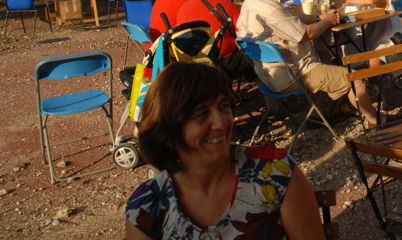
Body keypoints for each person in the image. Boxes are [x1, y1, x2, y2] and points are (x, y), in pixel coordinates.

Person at [125, 62, 325, 239]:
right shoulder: (148, 204)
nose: (221, 122)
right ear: (168, 129)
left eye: (224, 107)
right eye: (202, 113)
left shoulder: (275, 173)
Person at [237, 0, 378, 126]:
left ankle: (326, 111)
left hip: (268, 76)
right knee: (355, 76)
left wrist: (319, 15)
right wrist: (327, 21)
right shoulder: (270, 9)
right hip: (294, 75)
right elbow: (306, 35)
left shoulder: (251, 2)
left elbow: (291, 16)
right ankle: (375, 121)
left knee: (324, 56)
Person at [176, 0, 253, 79]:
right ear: (230, 0)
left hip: (189, 59)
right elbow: (244, 33)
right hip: (221, 61)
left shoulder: (186, 5)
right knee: (255, 55)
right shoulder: (228, 5)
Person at [342, 0, 402, 69]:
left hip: (390, 40)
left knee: (373, 59)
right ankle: (363, 73)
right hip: (373, 38)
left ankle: (376, 81)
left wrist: (348, 0)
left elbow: (371, 1)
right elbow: (365, 2)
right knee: (348, 48)